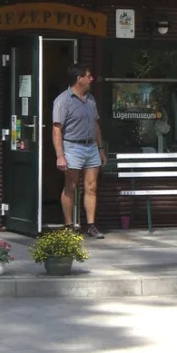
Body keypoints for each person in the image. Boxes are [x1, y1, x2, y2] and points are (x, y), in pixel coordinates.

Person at [52, 64, 107, 238]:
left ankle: (91, 225)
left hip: (91, 146)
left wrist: (101, 148)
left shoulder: (90, 99)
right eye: (89, 76)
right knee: (71, 185)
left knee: (91, 186)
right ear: (79, 79)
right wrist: (60, 156)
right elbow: (56, 129)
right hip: (72, 146)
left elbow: (96, 125)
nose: (92, 79)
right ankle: (68, 226)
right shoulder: (63, 100)